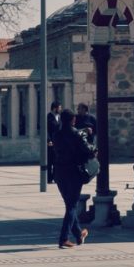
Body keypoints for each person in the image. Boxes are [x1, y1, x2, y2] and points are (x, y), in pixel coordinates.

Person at [51, 108, 94, 249]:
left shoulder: (56, 135)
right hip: (74, 172)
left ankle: (79, 233)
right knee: (72, 205)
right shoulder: (76, 134)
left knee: (69, 204)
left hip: (59, 172)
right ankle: (63, 238)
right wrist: (93, 148)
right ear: (73, 120)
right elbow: (87, 149)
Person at [45, 100, 62, 185]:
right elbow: (46, 130)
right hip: (51, 142)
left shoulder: (59, 117)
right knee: (50, 161)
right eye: (59, 107)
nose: (60, 109)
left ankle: (56, 177)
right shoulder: (49, 117)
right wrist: (48, 140)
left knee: (56, 161)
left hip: (58, 142)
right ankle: (49, 178)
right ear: (55, 108)